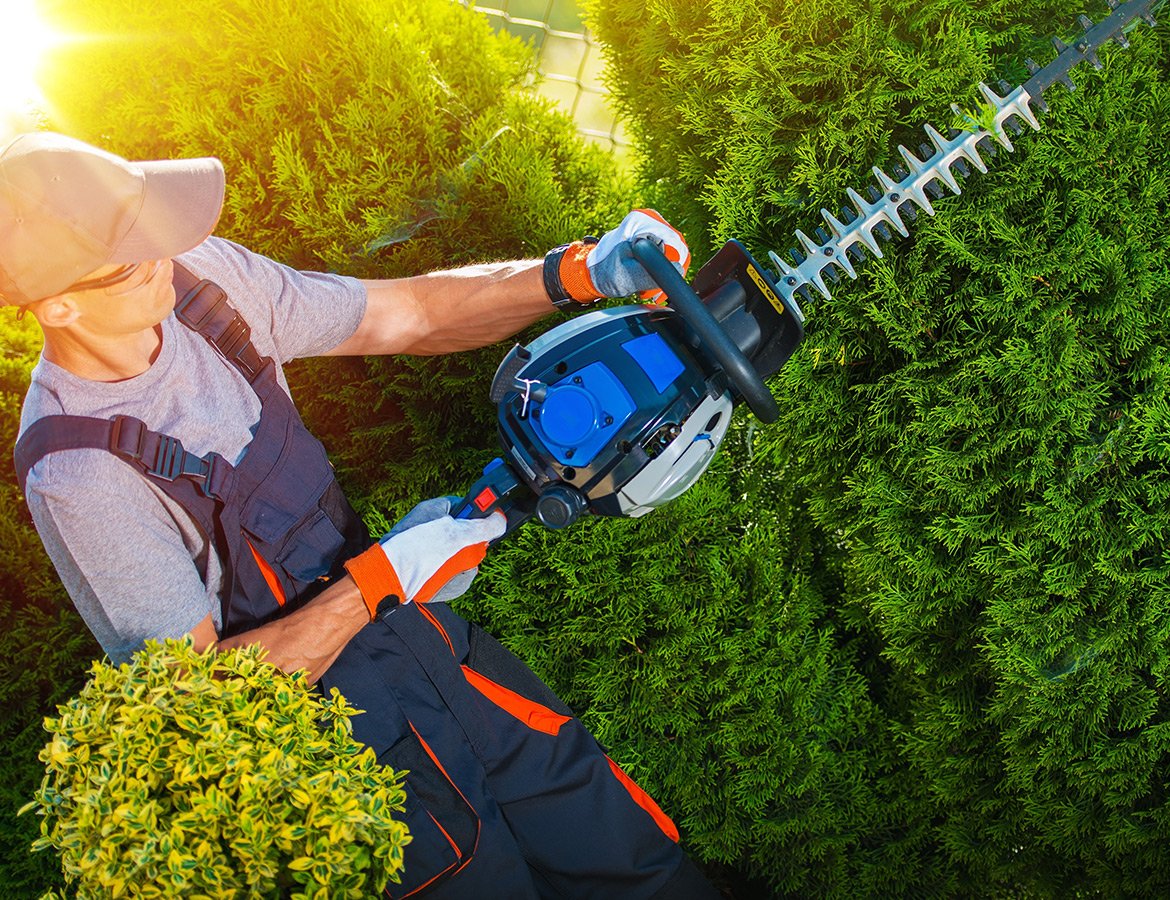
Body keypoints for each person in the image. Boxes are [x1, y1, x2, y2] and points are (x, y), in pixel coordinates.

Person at [3, 131, 717, 898]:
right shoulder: (78, 470)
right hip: (343, 761)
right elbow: (205, 702)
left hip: (423, 647)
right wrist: (380, 578)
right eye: (130, 257)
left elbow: (404, 314)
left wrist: (577, 272)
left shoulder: (204, 283)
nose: (163, 256)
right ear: (58, 303)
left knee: (635, 859)